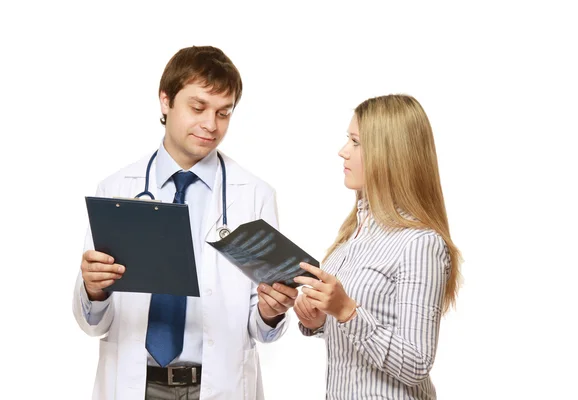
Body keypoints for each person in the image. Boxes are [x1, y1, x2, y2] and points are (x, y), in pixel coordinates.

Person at [72, 45, 297, 400]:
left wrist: (270, 313)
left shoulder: (254, 195)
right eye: (198, 107)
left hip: (217, 385)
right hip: (136, 384)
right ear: (165, 101)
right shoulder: (117, 189)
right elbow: (93, 322)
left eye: (224, 113)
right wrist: (94, 289)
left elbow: (263, 331)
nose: (211, 125)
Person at [293, 94, 461, 399]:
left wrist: (345, 310)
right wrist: (318, 319)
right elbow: (358, 333)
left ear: (389, 154)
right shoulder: (351, 236)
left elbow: (417, 363)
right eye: (348, 140)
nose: (342, 151)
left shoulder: (421, 244)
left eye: (355, 142)